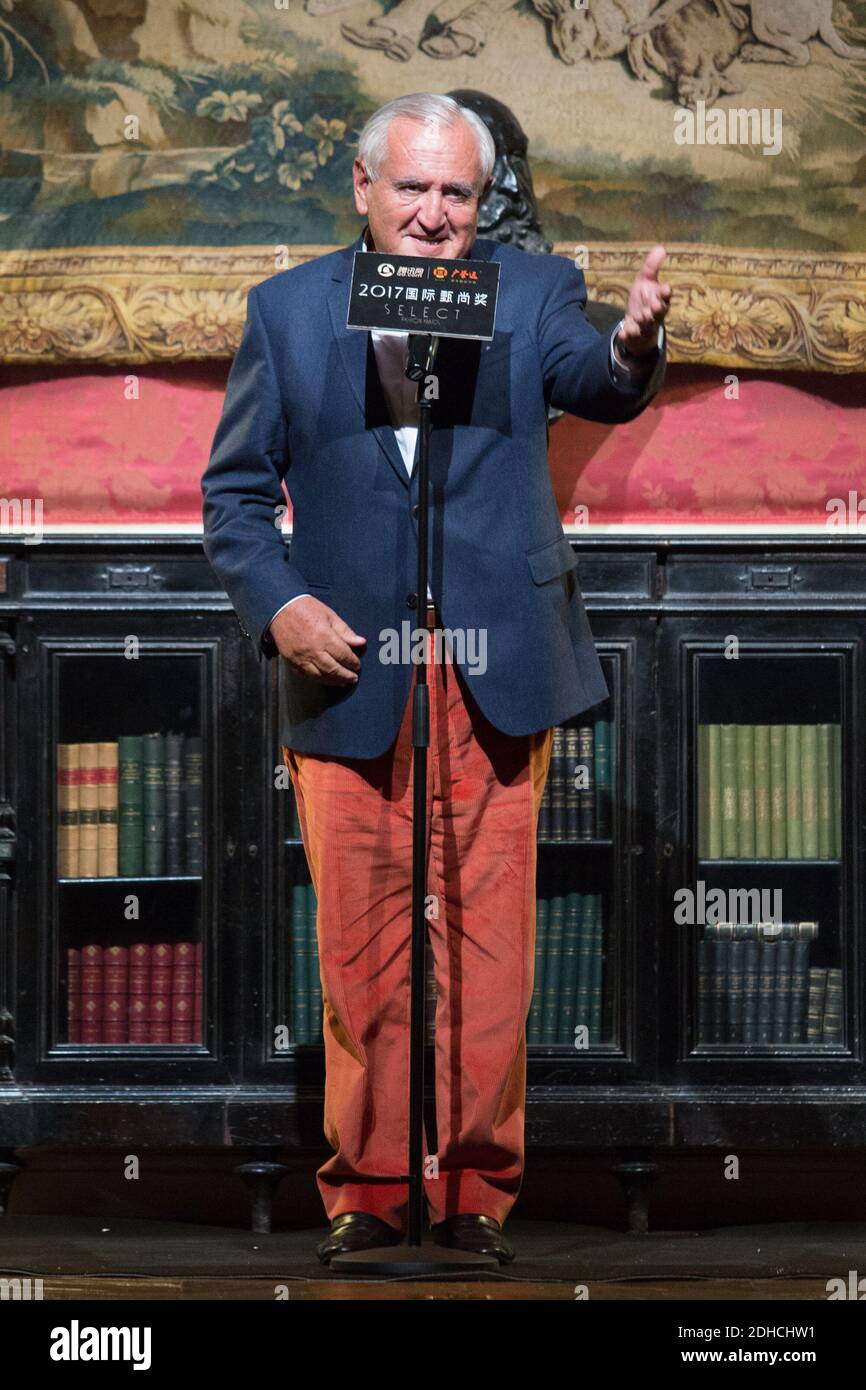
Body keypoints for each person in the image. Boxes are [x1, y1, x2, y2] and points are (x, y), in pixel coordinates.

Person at [201, 91, 670, 1265]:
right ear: (362, 189)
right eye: (409, 188)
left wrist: (632, 342)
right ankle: (368, 1189)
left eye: (455, 193)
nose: (430, 215)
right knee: (360, 949)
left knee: (487, 948)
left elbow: (595, 378)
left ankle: (470, 1191)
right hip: (350, 668)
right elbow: (235, 498)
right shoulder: (287, 310)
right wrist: (281, 604)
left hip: (492, 664)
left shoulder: (533, 289)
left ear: (482, 201)